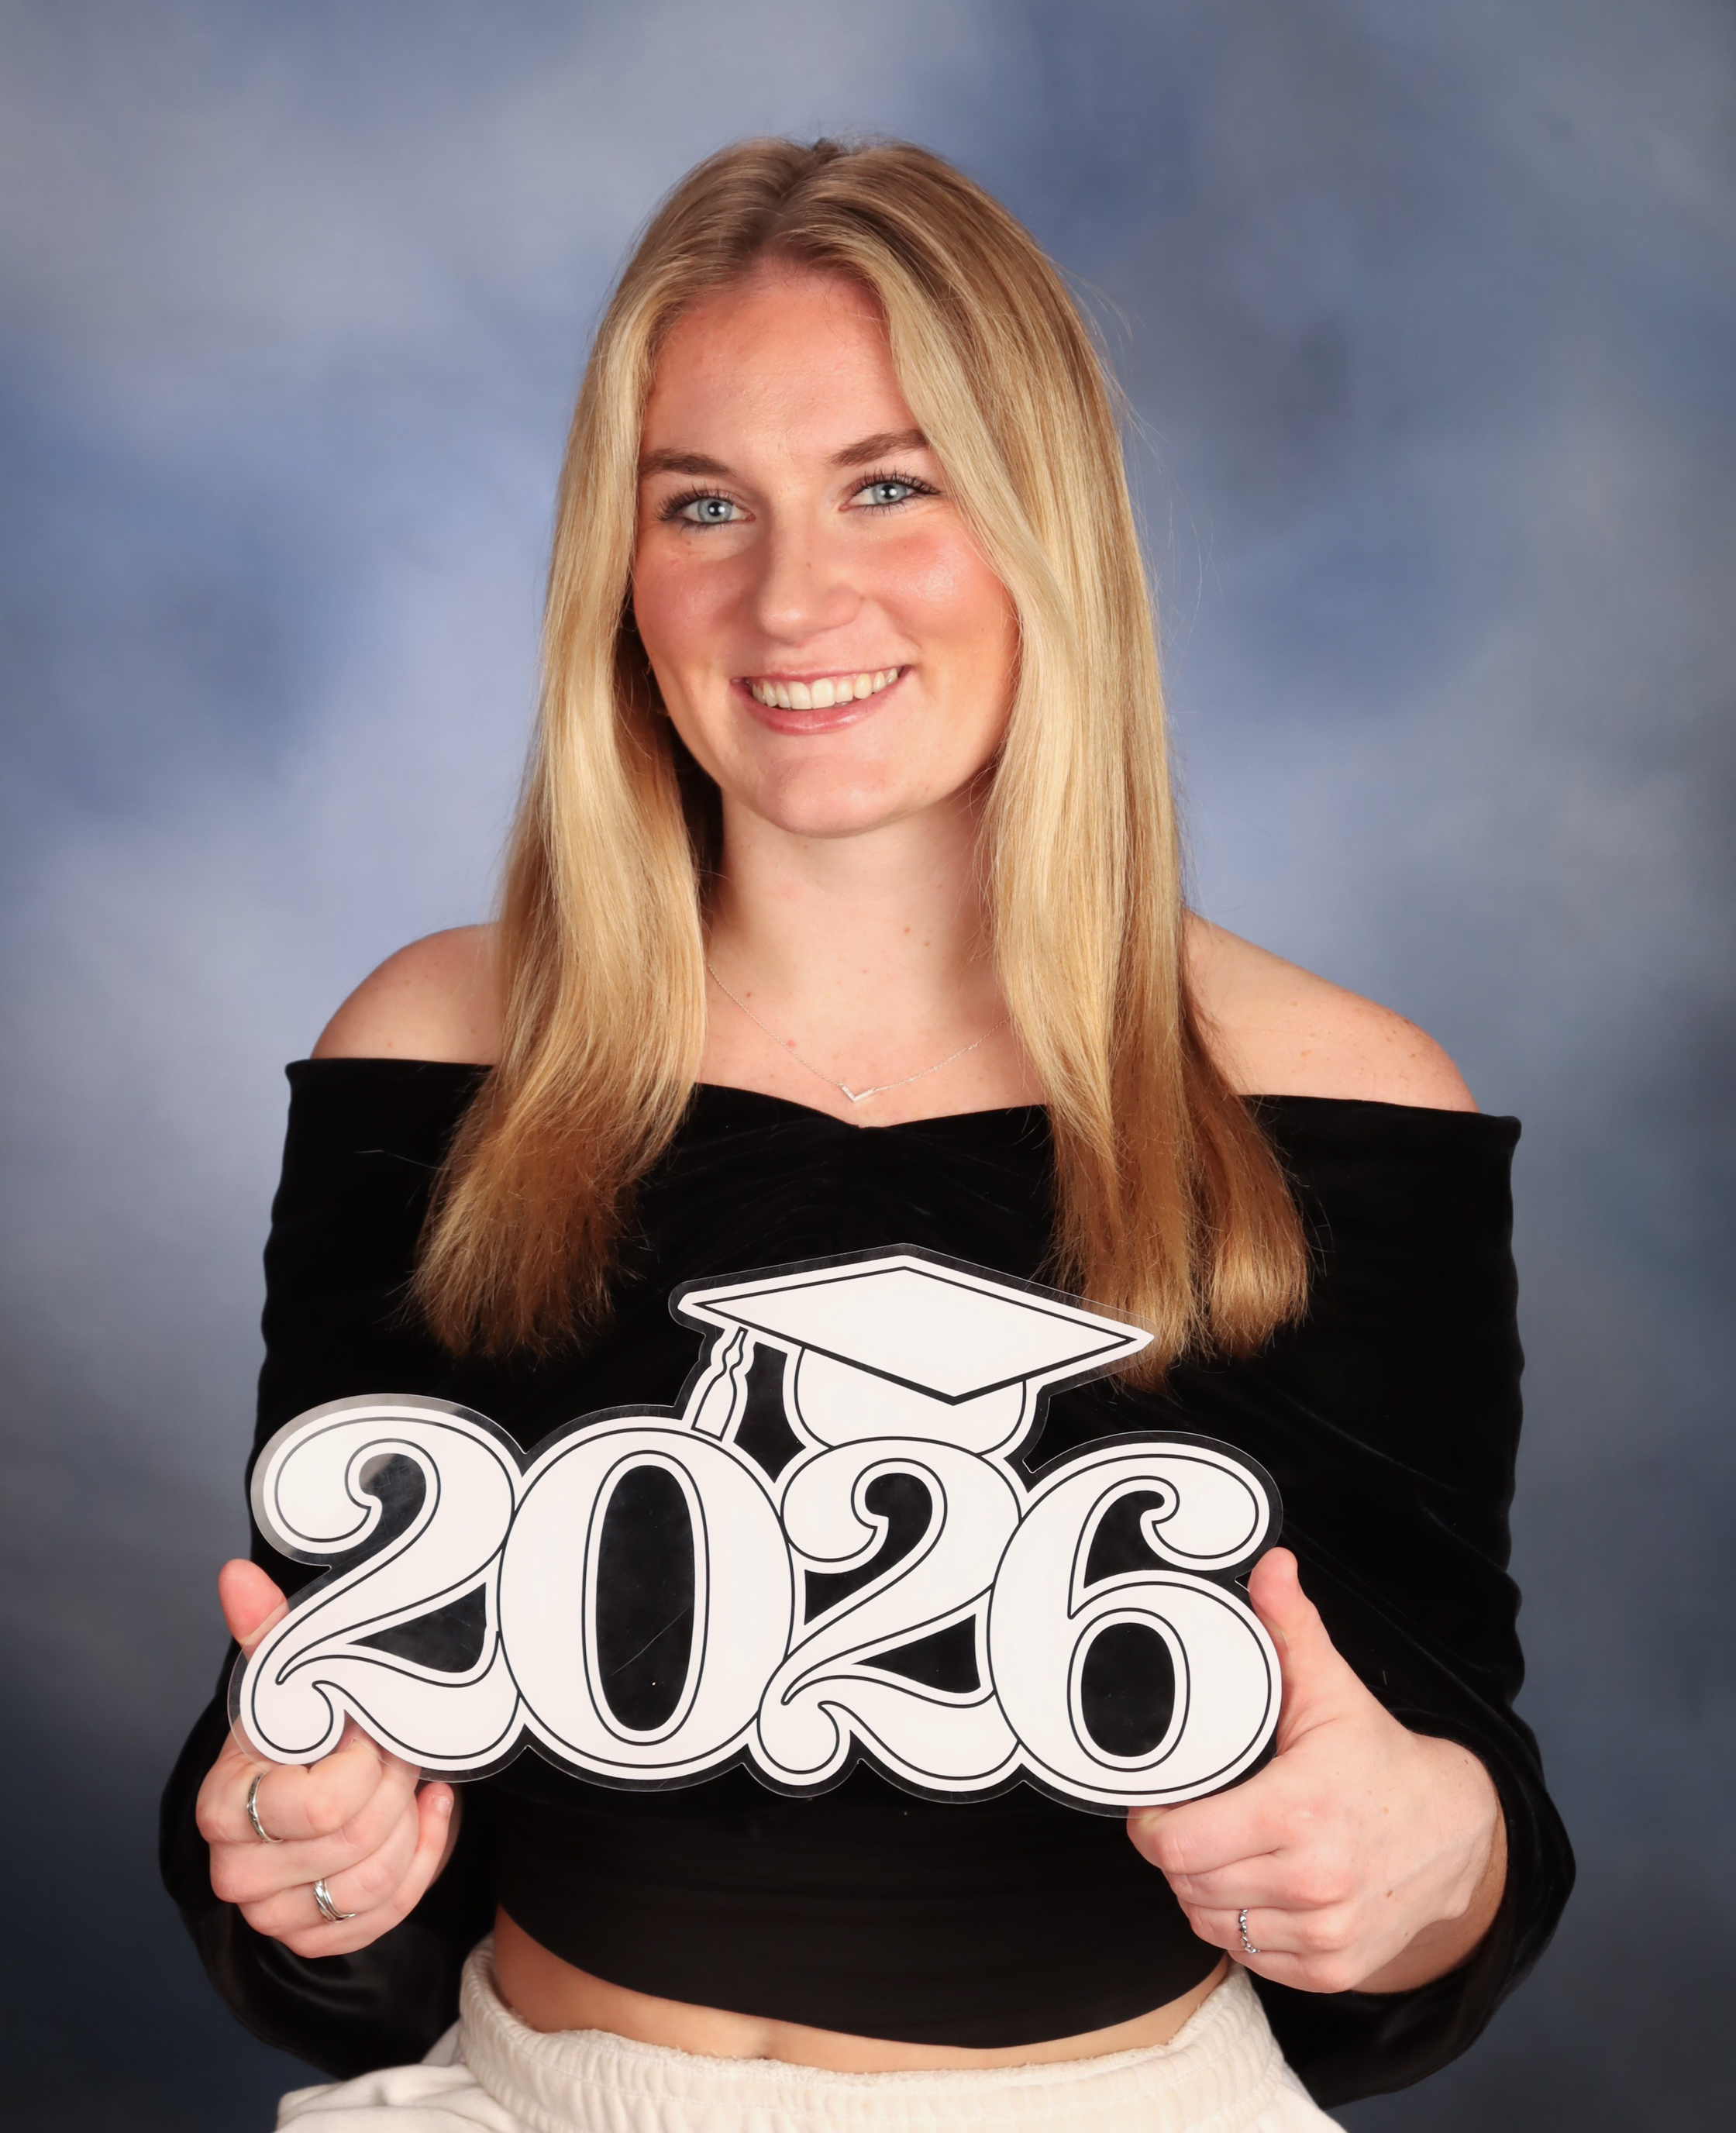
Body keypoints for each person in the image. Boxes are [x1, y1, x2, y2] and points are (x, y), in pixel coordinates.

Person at [161, 137, 1572, 2133]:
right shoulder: (437, 1052)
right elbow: (315, 1799)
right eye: (703, 503)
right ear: (618, 566)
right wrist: (304, 1846)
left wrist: (1425, 1861)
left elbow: (1449, 1840)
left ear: (1042, 520)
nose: (791, 597)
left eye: (889, 485)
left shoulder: (1337, 1104)